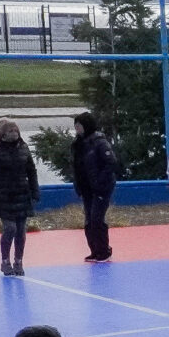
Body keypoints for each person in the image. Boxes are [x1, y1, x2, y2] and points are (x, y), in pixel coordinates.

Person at [0, 118, 42, 275]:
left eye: (16, 131)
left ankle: (18, 261)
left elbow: (31, 171)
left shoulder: (23, 147)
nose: (14, 133)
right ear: (3, 134)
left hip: (22, 194)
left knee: (21, 231)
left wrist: (35, 190)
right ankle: (5, 260)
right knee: (10, 228)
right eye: (10, 131)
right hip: (3, 196)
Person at [70, 111, 118, 263]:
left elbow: (111, 162)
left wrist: (100, 181)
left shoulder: (100, 142)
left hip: (101, 187)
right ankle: (95, 251)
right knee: (89, 220)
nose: (77, 129)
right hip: (86, 188)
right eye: (76, 126)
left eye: (79, 126)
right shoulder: (78, 144)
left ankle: (104, 251)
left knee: (97, 218)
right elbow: (77, 167)